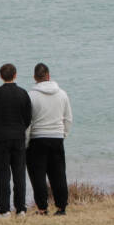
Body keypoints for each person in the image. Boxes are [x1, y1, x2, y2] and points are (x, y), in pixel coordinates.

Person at [26, 63, 73, 216]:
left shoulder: (31, 95)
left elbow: (28, 122)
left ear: (35, 77)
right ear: (48, 75)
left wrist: (26, 142)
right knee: (58, 173)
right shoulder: (62, 94)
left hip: (37, 138)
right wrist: (63, 134)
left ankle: (42, 208)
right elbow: (68, 118)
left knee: (37, 175)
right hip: (56, 137)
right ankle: (61, 207)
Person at [0, 63, 31, 218]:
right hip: (18, 137)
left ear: (0, 76)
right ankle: (21, 209)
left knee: (2, 174)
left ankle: (4, 209)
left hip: (2, 139)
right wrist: (20, 129)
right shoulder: (23, 93)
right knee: (19, 174)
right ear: (15, 75)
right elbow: (28, 118)